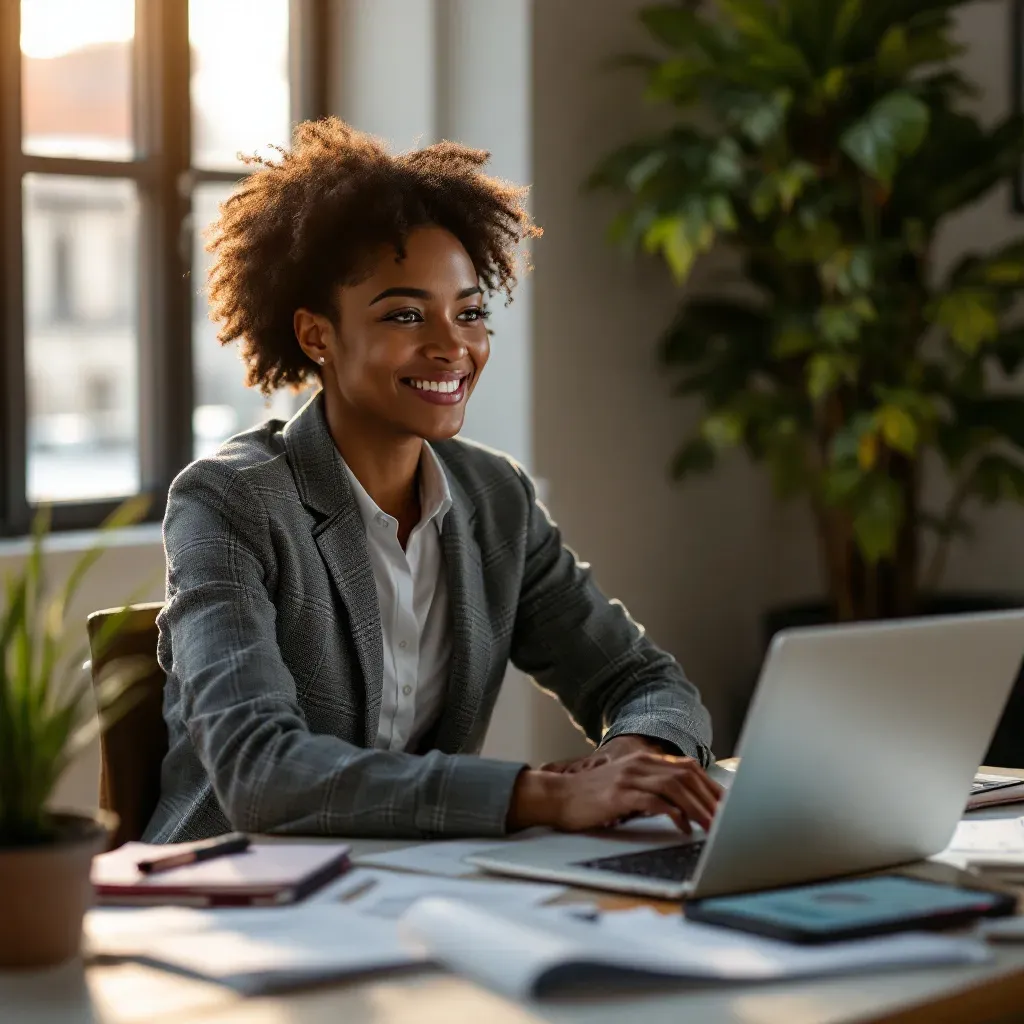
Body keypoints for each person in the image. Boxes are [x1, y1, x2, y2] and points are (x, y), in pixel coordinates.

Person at [144, 118, 722, 843]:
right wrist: (536, 794)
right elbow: (260, 772)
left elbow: (643, 680)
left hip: (419, 885)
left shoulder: (494, 499)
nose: (452, 347)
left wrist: (635, 759)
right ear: (317, 334)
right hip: (236, 897)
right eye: (406, 315)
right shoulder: (230, 501)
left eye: (471, 313)